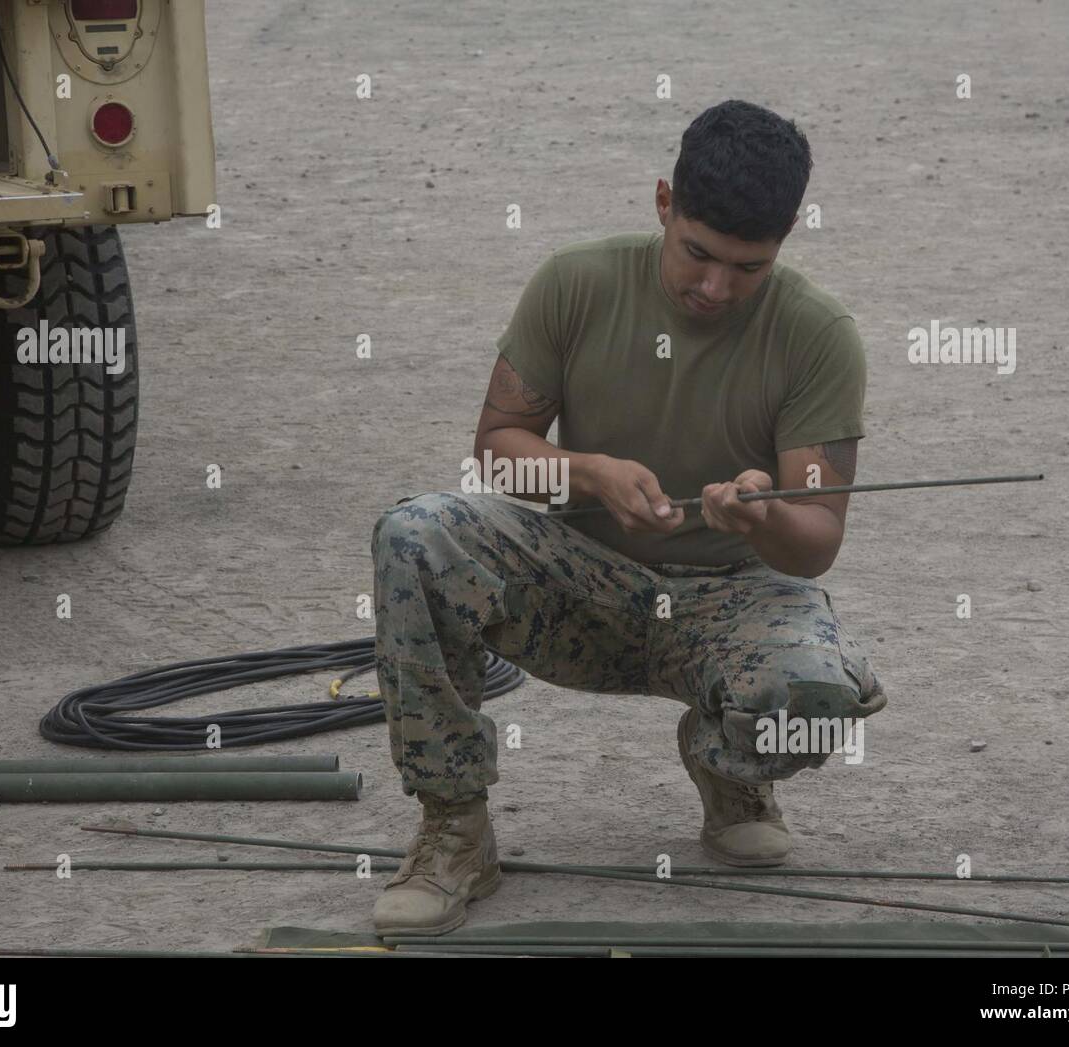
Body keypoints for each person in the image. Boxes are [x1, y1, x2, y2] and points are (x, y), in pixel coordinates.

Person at [370, 99, 887, 937]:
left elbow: (818, 538)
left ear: (788, 237)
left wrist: (762, 519)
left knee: (821, 696)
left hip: (728, 597)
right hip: (581, 583)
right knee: (415, 535)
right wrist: (588, 474)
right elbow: (496, 448)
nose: (716, 287)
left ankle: (728, 762)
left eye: (748, 267)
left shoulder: (819, 335)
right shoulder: (576, 283)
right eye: (697, 254)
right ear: (661, 203)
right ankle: (454, 830)